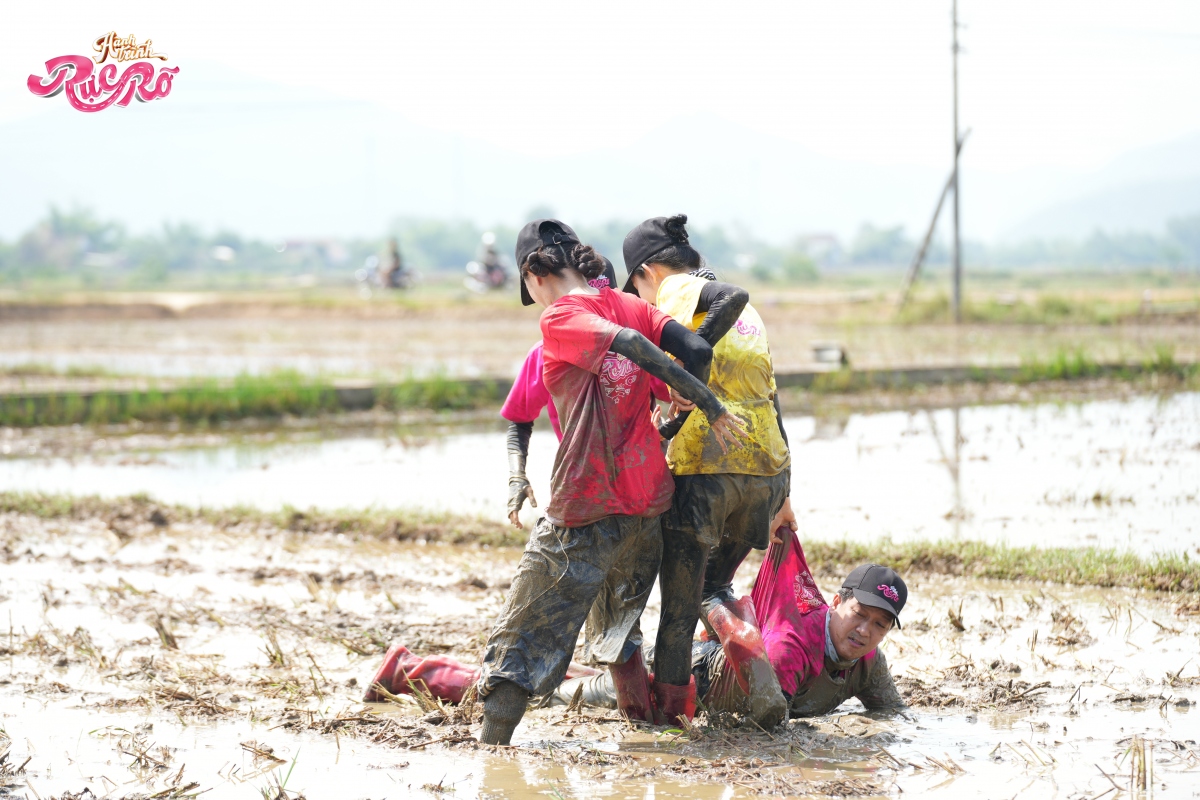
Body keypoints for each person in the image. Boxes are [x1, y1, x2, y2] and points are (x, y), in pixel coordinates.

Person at [477, 218, 747, 746]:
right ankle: (651, 735)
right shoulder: (631, 304)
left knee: (523, 637)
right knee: (619, 624)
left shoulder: (559, 318)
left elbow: (626, 345)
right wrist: (684, 399)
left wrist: (705, 403)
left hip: (584, 505)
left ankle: (492, 753)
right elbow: (695, 349)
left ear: (533, 273)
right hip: (648, 507)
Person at [622, 214, 794, 728]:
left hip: (707, 470)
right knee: (714, 585)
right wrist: (785, 490)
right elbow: (771, 394)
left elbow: (691, 371)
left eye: (637, 288)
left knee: (680, 605)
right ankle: (756, 677)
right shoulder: (752, 317)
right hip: (766, 467)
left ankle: (672, 714)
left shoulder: (675, 293)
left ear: (648, 272)